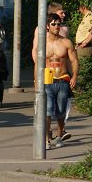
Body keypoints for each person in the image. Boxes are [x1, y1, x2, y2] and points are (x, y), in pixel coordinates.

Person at [34, 13, 79, 149]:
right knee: (47, 111)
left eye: (58, 24)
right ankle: (47, 139)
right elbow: (37, 63)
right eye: (53, 24)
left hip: (63, 80)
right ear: (47, 26)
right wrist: (36, 80)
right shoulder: (42, 44)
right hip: (47, 80)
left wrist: (75, 76)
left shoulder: (66, 42)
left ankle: (59, 135)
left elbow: (74, 60)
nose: (57, 26)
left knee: (61, 111)